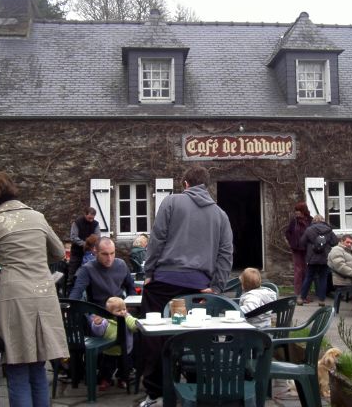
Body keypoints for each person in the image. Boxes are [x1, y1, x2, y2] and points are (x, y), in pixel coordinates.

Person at [139, 165, 233, 407]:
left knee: (155, 336)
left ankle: (157, 394)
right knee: (194, 335)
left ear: (185, 183)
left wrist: (149, 271)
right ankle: (194, 385)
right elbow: (225, 254)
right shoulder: (221, 215)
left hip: (165, 283)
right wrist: (217, 288)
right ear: (206, 185)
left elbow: (157, 238)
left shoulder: (171, 202)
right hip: (198, 288)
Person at [0, 171, 69, 407]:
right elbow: (58, 253)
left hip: (14, 297)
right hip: (45, 295)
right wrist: (34, 259)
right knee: (38, 367)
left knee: (16, 370)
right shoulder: (37, 216)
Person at [70, 237, 136, 306]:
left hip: (119, 309)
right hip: (98, 311)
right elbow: (77, 292)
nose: (109, 258)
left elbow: (131, 288)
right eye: (105, 254)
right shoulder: (87, 269)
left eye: (112, 253)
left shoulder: (121, 264)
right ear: (96, 252)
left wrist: (130, 308)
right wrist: (70, 308)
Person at [90, 296, 138, 391]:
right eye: (118, 310)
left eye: (124, 309)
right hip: (109, 349)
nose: (122, 312)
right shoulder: (106, 321)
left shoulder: (127, 317)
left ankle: (122, 379)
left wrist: (136, 324)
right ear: (109, 313)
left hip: (124, 349)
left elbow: (133, 326)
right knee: (106, 366)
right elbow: (99, 333)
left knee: (125, 366)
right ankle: (106, 380)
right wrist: (97, 324)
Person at [298, 215, 338, 306]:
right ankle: (322, 300)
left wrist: (309, 246)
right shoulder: (329, 230)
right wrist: (326, 244)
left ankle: (302, 298)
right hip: (325, 258)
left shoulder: (309, 230)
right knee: (323, 278)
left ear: (314, 221)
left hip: (312, 258)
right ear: (323, 220)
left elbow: (302, 242)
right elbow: (335, 242)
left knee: (308, 277)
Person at [69, 207, 101, 290]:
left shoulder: (96, 224)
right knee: (73, 274)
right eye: (89, 218)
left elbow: (98, 237)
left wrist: (91, 246)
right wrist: (85, 244)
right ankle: (71, 293)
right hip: (77, 253)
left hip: (90, 253)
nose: (91, 220)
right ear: (85, 214)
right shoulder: (77, 223)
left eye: (93, 218)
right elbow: (73, 237)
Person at [284, 202, 312, 298]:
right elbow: (287, 232)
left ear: (303, 211)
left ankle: (305, 293)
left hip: (307, 249)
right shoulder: (294, 221)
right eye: (296, 211)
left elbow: (313, 233)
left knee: (306, 270)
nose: (296, 213)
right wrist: (292, 242)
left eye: (298, 211)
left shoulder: (310, 220)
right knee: (298, 271)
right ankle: (298, 293)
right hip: (296, 249)